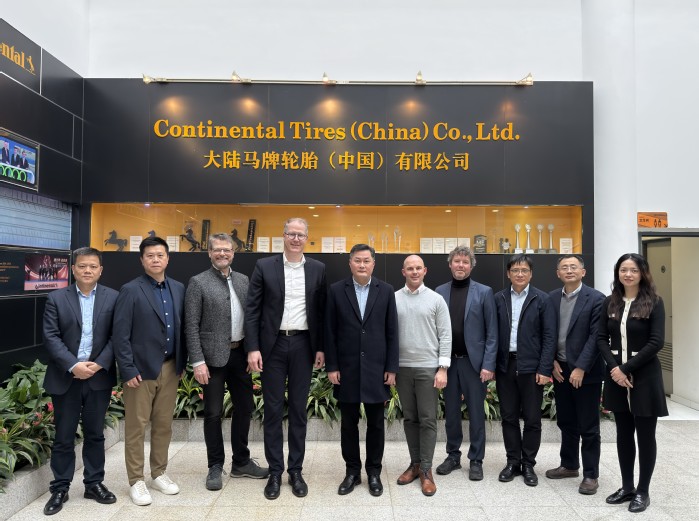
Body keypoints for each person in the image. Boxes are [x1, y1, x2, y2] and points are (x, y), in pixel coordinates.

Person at [244, 218, 326, 500]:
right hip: (273, 345)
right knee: (273, 409)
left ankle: (296, 470)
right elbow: (252, 310)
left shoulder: (317, 269)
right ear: (283, 235)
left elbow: (321, 312)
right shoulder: (264, 266)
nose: (296, 239)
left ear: (307, 238)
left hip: (303, 344)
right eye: (291, 233)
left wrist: (321, 347)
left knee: (299, 410)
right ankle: (276, 472)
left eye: (300, 235)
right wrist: (253, 347)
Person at [185, 233, 268, 491]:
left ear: (233, 253)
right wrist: (197, 361)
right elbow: (191, 325)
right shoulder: (198, 282)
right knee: (213, 413)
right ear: (209, 253)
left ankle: (241, 462)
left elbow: (252, 318)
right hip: (211, 359)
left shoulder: (243, 280)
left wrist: (252, 350)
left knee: (245, 408)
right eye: (218, 250)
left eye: (227, 250)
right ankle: (215, 465)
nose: (223, 253)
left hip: (240, 354)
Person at [41, 247, 119, 515]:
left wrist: (100, 363)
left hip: (98, 376)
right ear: (73, 269)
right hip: (67, 377)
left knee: (95, 434)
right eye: (82, 266)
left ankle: (93, 483)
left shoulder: (113, 297)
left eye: (93, 266)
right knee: (64, 436)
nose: (88, 270)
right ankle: (60, 488)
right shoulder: (56, 298)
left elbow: (117, 335)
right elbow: (51, 336)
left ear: (101, 270)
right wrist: (74, 365)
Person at [113, 236, 186, 506]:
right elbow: (120, 334)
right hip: (140, 371)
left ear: (168, 258)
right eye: (150, 256)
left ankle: (159, 473)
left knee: (164, 425)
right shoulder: (131, 290)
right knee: (136, 427)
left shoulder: (178, 288)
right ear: (142, 260)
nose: (156, 259)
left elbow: (182, 328)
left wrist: (182, 363)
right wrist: (128, 368)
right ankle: (136, 480)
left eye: (160, 255)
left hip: (170, 367)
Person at [325, 244, 399, 497]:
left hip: (377, 369)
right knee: (349, 424)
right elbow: (330, 331)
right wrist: (332, 366)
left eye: (366, 261)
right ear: (350, 263)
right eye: (357, 260)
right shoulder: (336, 290)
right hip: (346, 369)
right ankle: (352, 472)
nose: (362, 265)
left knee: (376, 424)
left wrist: (391, 367)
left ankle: (374, 472)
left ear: (373, 263)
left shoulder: (386, 290)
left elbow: (392, 332)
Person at [597, 253, 667, 513]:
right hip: (616, 376)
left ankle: (643, 491)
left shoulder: (654, 302)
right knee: (623, 434)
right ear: (618, 273)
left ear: (642, 273)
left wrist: (625, 369)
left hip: (645, 376)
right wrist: (615, 369)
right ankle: (627, 487)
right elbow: (601, 338)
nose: (628, 274)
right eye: (623, 270)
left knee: (646, 436)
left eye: (634, 270)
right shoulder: (610, 302)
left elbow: (656, 342)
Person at [435, 245, 498, 481]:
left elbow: (492, 332)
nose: (460, 265)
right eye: (457, 261)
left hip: (474, 364)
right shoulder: (440, 291)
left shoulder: (484, 292)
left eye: (465, 262)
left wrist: (488, 364)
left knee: (476, 413)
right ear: (450, 264)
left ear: (471, 266)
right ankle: (453, 456)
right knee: (451, 413)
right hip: (448, 363)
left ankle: (476, 459)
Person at [545, 255, 606, 495]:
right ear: (557, 273)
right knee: (566, 421)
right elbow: (547, 333)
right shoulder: (551, 298)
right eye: (564, 267)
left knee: (588, 425)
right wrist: (551, 362)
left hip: (586, 371)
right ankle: (569, 465)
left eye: (573, 267)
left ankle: (591, 475)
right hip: (560, 369)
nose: (569, 270)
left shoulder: (597, 298)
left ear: (583, 272)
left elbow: (596, 336)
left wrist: (581, 367)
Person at [494, 254, 555, 486]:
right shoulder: (498, 298)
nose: (520, 274)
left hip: (532, 367)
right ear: (508, 273)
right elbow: (492, 334)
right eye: (515, 270)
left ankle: (528, 463)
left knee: (532, 418)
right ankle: (512, 462)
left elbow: (549, 337)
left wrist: (545, 368)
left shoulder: (542, 299)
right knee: (508, 417)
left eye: (524, 270)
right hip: (506, 365)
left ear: (531, 273)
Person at [394, 255, 451, 496]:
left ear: (425, 271)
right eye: (410, 268)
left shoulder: (436, 300)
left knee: (427, 419)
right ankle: (415, 464)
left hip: (428, 367)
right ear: (403, 272)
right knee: (410, 419)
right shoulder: (394, 299)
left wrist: (443, 368)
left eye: (418, 268)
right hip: (402, 368)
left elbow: (445, 335)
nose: (414, 272)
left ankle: (426, 470)